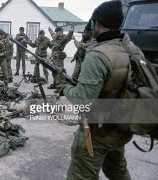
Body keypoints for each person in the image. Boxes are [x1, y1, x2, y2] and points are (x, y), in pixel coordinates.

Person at [58, 1, 142, 179]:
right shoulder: (133, 49)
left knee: (80, 175)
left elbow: (83, 101)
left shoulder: (98, 56)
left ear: (99, 24)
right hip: (120, 127)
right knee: (117, 171)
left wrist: (64, 87)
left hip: (96, 132)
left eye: (93, 22)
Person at [47, 26, 74, 92]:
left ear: (60, 32)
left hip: (59, 58)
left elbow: (68, 37)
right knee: (54, 71)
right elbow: (52, 34)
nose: (55, 33)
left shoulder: (63, 38)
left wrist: (71, 31)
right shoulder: (56, 37)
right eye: (55, 32)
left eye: (57, 32)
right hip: (54, 57)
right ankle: (55, 84)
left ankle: (60, 87)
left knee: (59, 72)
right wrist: (49, 30)